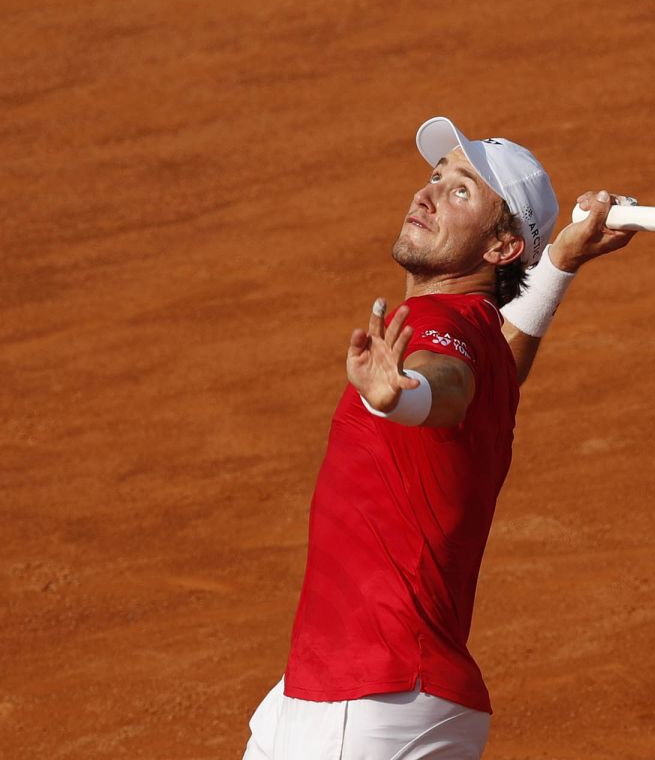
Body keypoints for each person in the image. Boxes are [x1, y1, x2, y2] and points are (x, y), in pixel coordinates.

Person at [241, 116, 634, 760]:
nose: (425, 195)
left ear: (501, 248)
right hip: (343, 693)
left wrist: (403, 396)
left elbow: (444, 384)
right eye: (435, 177)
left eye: (460, 192)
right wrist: (559, 262)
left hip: (368, 699)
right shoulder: (483, 338)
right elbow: (493, 372)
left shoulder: (433, 329)